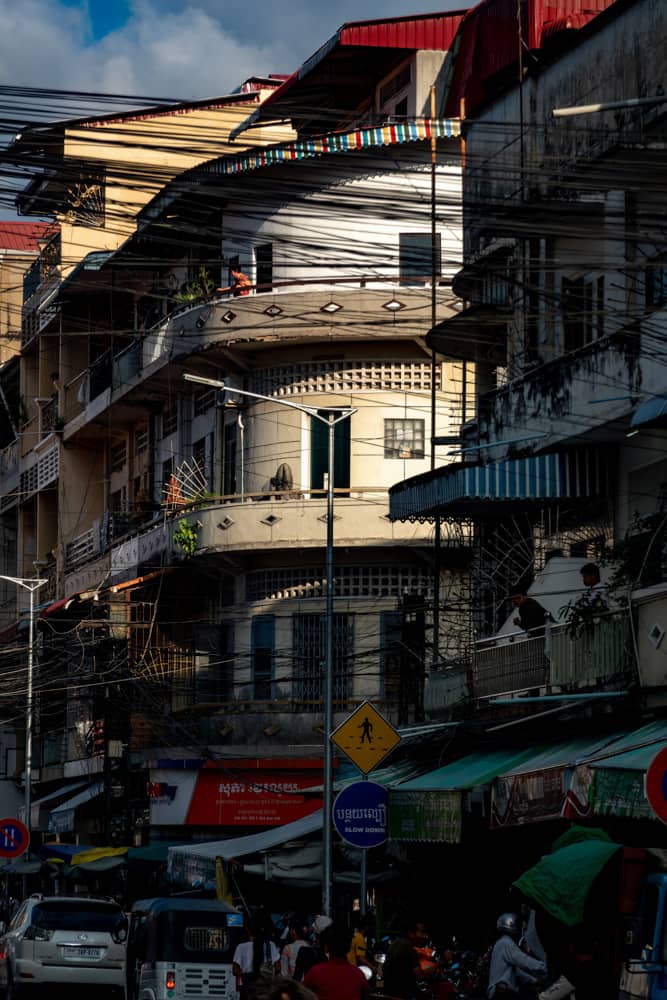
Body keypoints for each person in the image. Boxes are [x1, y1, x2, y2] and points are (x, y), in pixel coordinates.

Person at [487, 913, 546, 999]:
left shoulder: (501, 943)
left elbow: (516, 972)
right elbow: (523, 960)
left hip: (498, 991)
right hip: (501, 992)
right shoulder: (506, 943)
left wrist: (535, 981)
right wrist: (545, 967)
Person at [303, 923, 369, 1000]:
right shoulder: (358, 974)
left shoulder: (315, 972)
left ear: (326, 947)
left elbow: (302, 994)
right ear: (349, 947)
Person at [233, 919, 281, 999]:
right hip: (266, 984)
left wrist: (244, 974)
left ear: (247, 929)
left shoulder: (241, 947)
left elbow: (235, 970)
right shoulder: (270, 945)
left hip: (248, 984)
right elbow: (278, 967)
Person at [382, 920, 427, 999]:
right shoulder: (409, 950)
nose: (424, 936)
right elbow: (420, 975)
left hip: (389, 991)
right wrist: (439, 964)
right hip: (403, 994)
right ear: (411, 933)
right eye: (422, 932)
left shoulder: (395, 943)